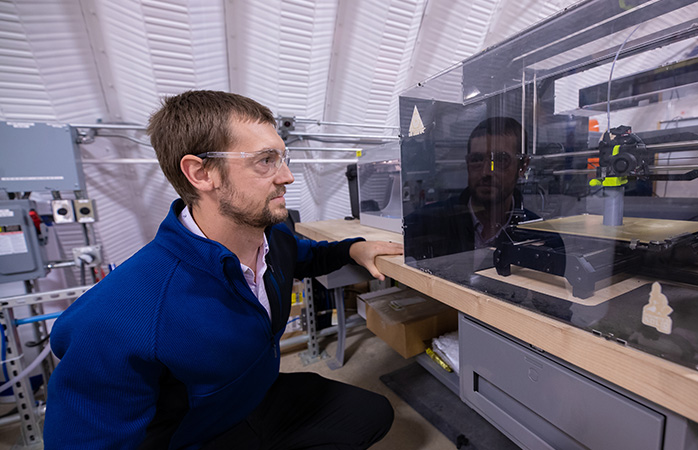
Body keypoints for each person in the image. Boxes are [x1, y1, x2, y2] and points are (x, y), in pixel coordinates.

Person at [43, 90, 402, 449]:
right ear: (201, 173)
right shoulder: (121, 316)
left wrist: (354, 247)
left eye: (282, 157)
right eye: (265, 161)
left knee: (374, 413)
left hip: (254, 400)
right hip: (197, 436)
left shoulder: (274, 239)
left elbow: (308, 256)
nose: (288, 177)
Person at [404, 116, 539, 261]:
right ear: (467, 163)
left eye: (500, 160)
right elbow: (389, 242)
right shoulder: (430, 222)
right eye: (477, 160)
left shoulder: (536, 233)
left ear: (523, 166)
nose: (486, 172)